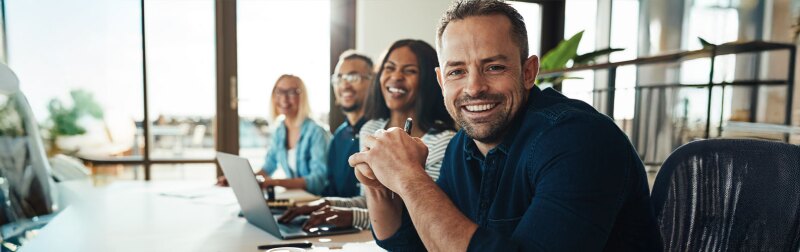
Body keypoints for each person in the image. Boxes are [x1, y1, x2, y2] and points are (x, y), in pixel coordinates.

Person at [348, 1, 662, 251]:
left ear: (528, 72)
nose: (474, 87)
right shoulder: (464, 145)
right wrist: (379, 186)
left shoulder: (580, 140)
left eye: (494, 67)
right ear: (442, 81)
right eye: (457, 72)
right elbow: (420, 244)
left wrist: (410, 177)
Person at [279, 40, 456, 232]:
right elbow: (369, 200)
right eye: (390, 68)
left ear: (429, 80)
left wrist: (353, 216)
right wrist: (323, 204)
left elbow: (425, 214)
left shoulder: (443, 141)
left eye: (409, 71)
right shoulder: (371, 129)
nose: (396, 76)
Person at [218, 74, 330, 196]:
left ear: (303, 97)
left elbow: (317, 181)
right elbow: (267, 168)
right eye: (279, 91)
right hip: (297, 199)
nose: (284, 98)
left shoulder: (317, 132)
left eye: (292, 92)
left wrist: (274, 182)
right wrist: (240, 180)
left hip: (318, 201)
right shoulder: (280, 130)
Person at [321, 50, 374, 198]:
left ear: (373, 82)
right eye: (339, 78)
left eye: (352, 77)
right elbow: (330, 191)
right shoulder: (338, 137)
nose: (344, 84)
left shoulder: (382, 132)